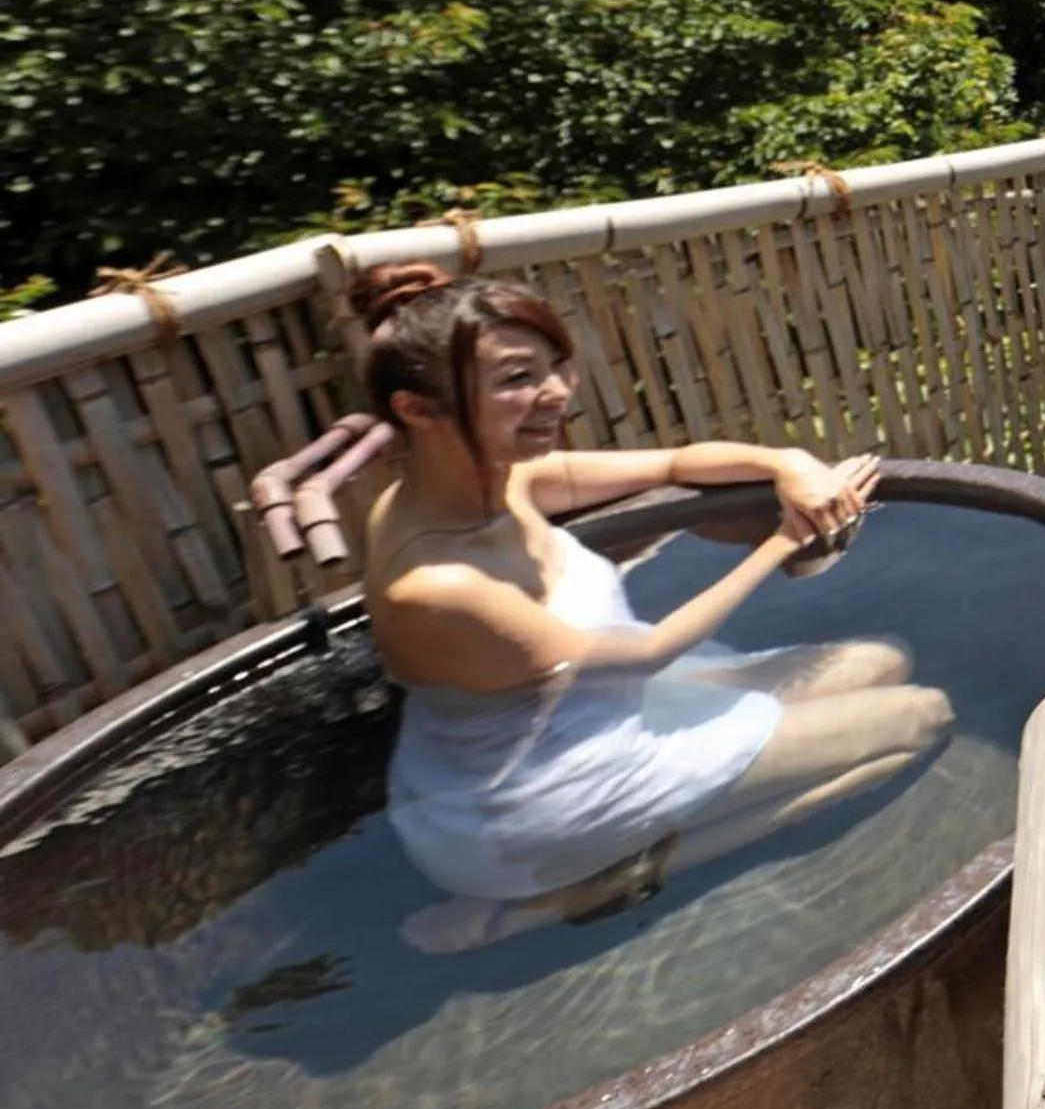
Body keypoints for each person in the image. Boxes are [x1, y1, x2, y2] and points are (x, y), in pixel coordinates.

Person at [348, 261, 955, 955]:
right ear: (418, 410)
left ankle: (620, 854)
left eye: (556, 367)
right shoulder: (437, 582)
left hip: (599, 715)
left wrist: (786, 461)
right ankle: (552, 902)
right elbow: (653, 649)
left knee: (882, 661)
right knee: (922, 715)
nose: (555, 395)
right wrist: (787, 539)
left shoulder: (501, 480)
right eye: (518, 379)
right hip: (527, 809)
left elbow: (673, 465)